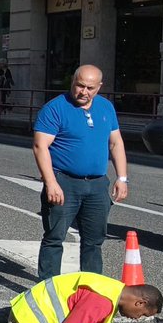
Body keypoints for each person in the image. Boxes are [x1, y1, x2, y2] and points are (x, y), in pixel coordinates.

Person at [32, 65, 128, 279]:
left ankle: (90, 288)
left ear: (99, 87)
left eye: (90, 88)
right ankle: (48, 288)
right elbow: (40, 146)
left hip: (97, 184)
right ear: (73, 82)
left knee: (94, 240)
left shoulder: (106, 107)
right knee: (55, 237)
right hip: (64, 182)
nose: (83, 92)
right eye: (79, 85)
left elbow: (116, 143)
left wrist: (122, 178)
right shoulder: (55, 108)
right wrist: (51, 182)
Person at [10, 272, 162, 323]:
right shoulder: (102, 301)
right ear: (140, 303)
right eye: (142, 314)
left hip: (31, 314)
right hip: (29, 319)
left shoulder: (113, 294)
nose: (137, 318)